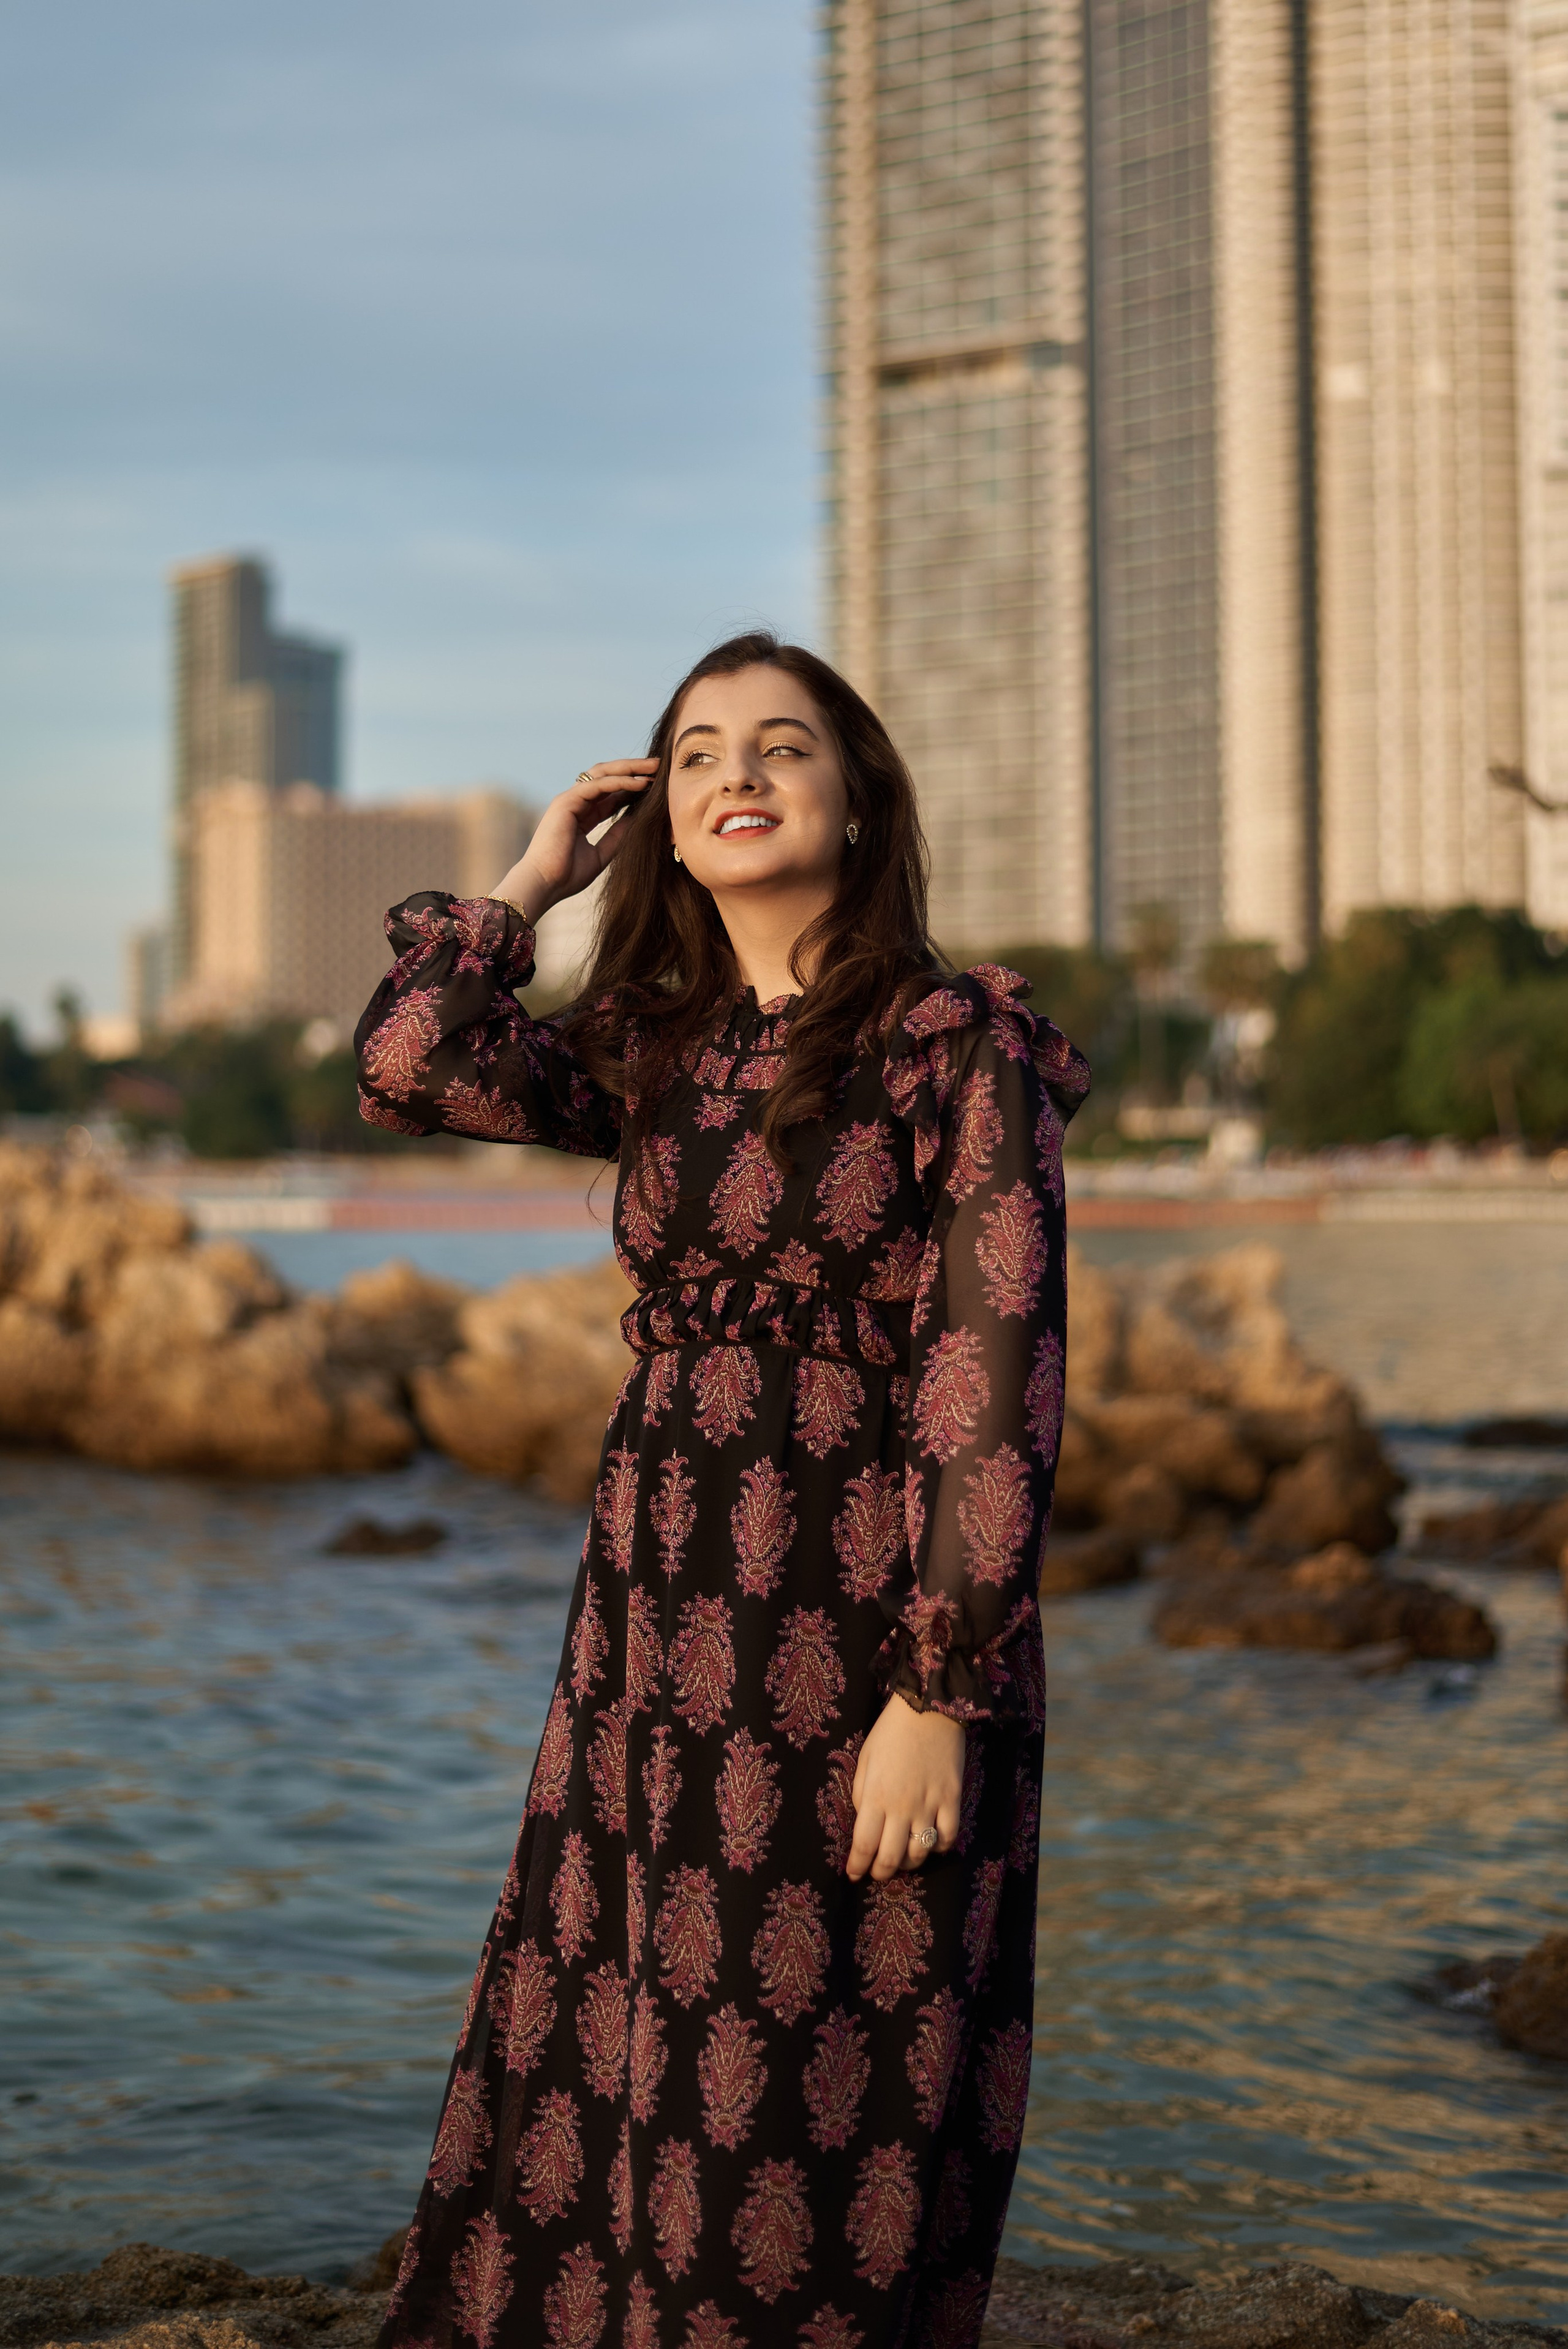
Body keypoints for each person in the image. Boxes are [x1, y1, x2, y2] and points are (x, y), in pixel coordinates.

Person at [355, 632, 1088, 2349]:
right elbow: (405, 1066)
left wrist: (939, 1683)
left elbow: (996, 1368)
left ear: (859, 799)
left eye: (783, 748)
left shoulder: (951, 1040)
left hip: (862, 1608)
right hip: (658, 1603)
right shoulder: (653, 1046)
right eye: (695, 755)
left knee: (826, 2033)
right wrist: (532, 880)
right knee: (634, 2021)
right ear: (663, 817)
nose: (737, 776)